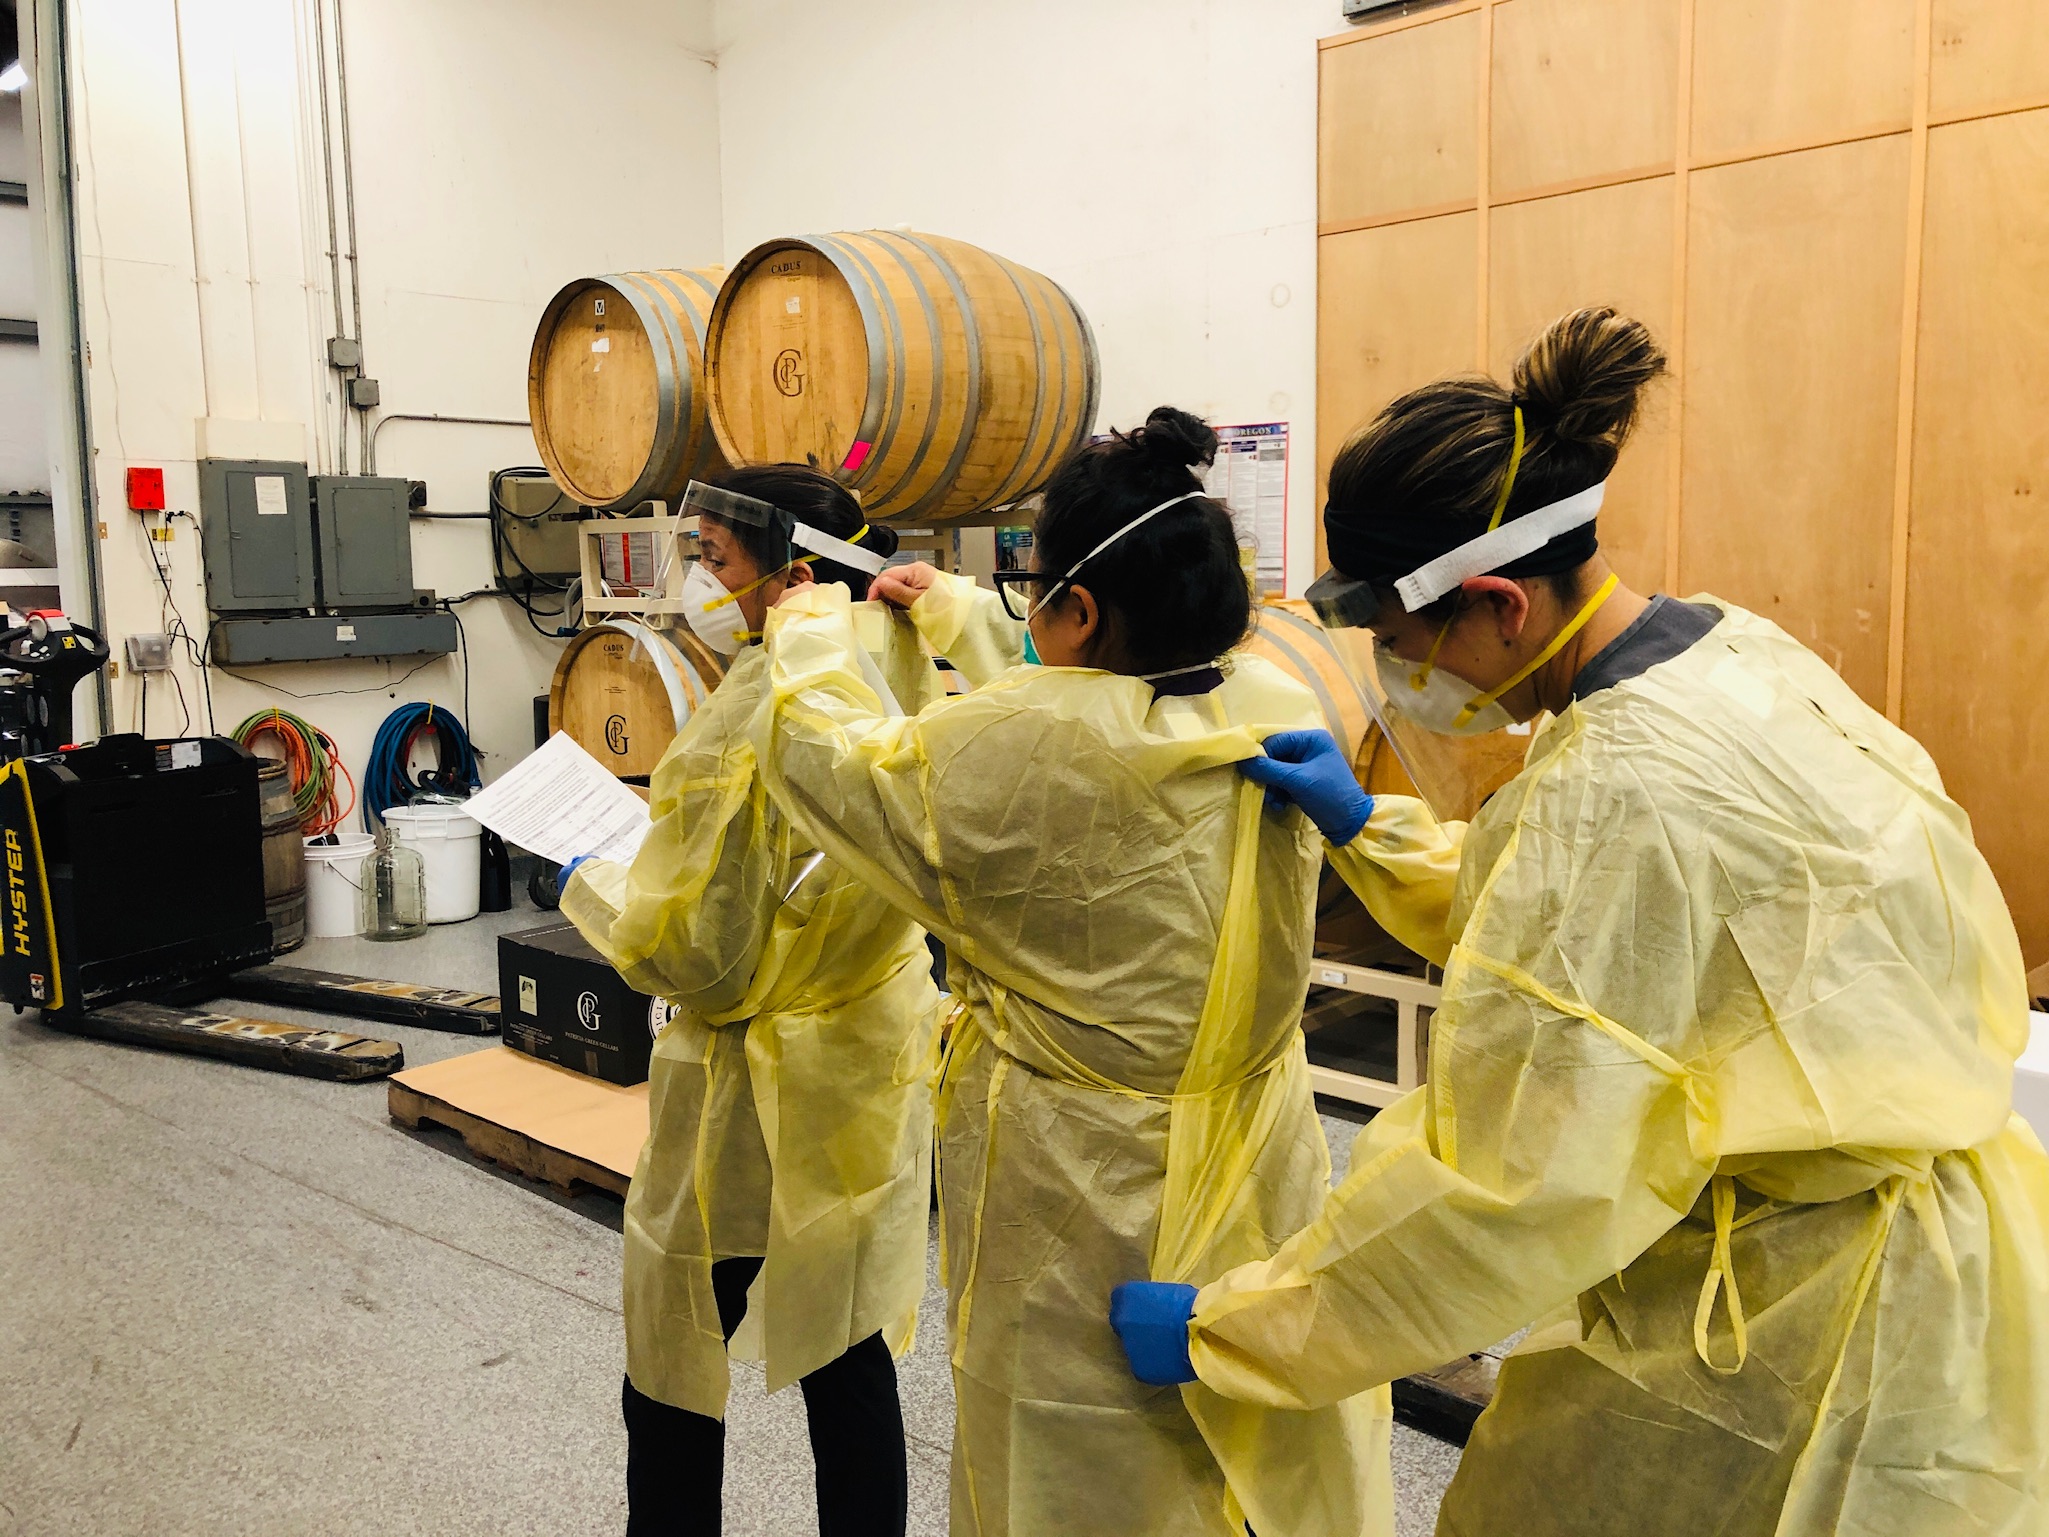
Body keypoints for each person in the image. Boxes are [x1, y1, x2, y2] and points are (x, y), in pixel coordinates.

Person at [1110, 308, 2049, 1536]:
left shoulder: (1619, 789)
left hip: (1795, 1331)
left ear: (1497, 602)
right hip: (1941, 1258)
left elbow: (1500, 1187)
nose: (1394, 674)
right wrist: (1368, 828)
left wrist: (1238, 1325)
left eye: (1395, 642)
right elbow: (1637, 943)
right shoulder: (1720, 651)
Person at [753, 408, 1391, 1536]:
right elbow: (1104, 699)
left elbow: (829, 761)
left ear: (1080, 607)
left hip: (1081, 1182)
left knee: (1075, 1458)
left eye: (1029, 591)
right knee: (1254, 1448)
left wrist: (806, 627)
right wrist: (955, 610)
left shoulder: (1002, 750)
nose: (1024, 617)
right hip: (1259, 1151)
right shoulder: (1271, 707)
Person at [557, 464, 942, 1537]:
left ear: (798, 575)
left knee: (678, 1347)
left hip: (750, 1088)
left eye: (715, 560)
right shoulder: (898, 661)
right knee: (847, 1348)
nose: (697, 582)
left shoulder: (754, 711)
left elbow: (698, 954)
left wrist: (585, 881)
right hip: (861, 1069)